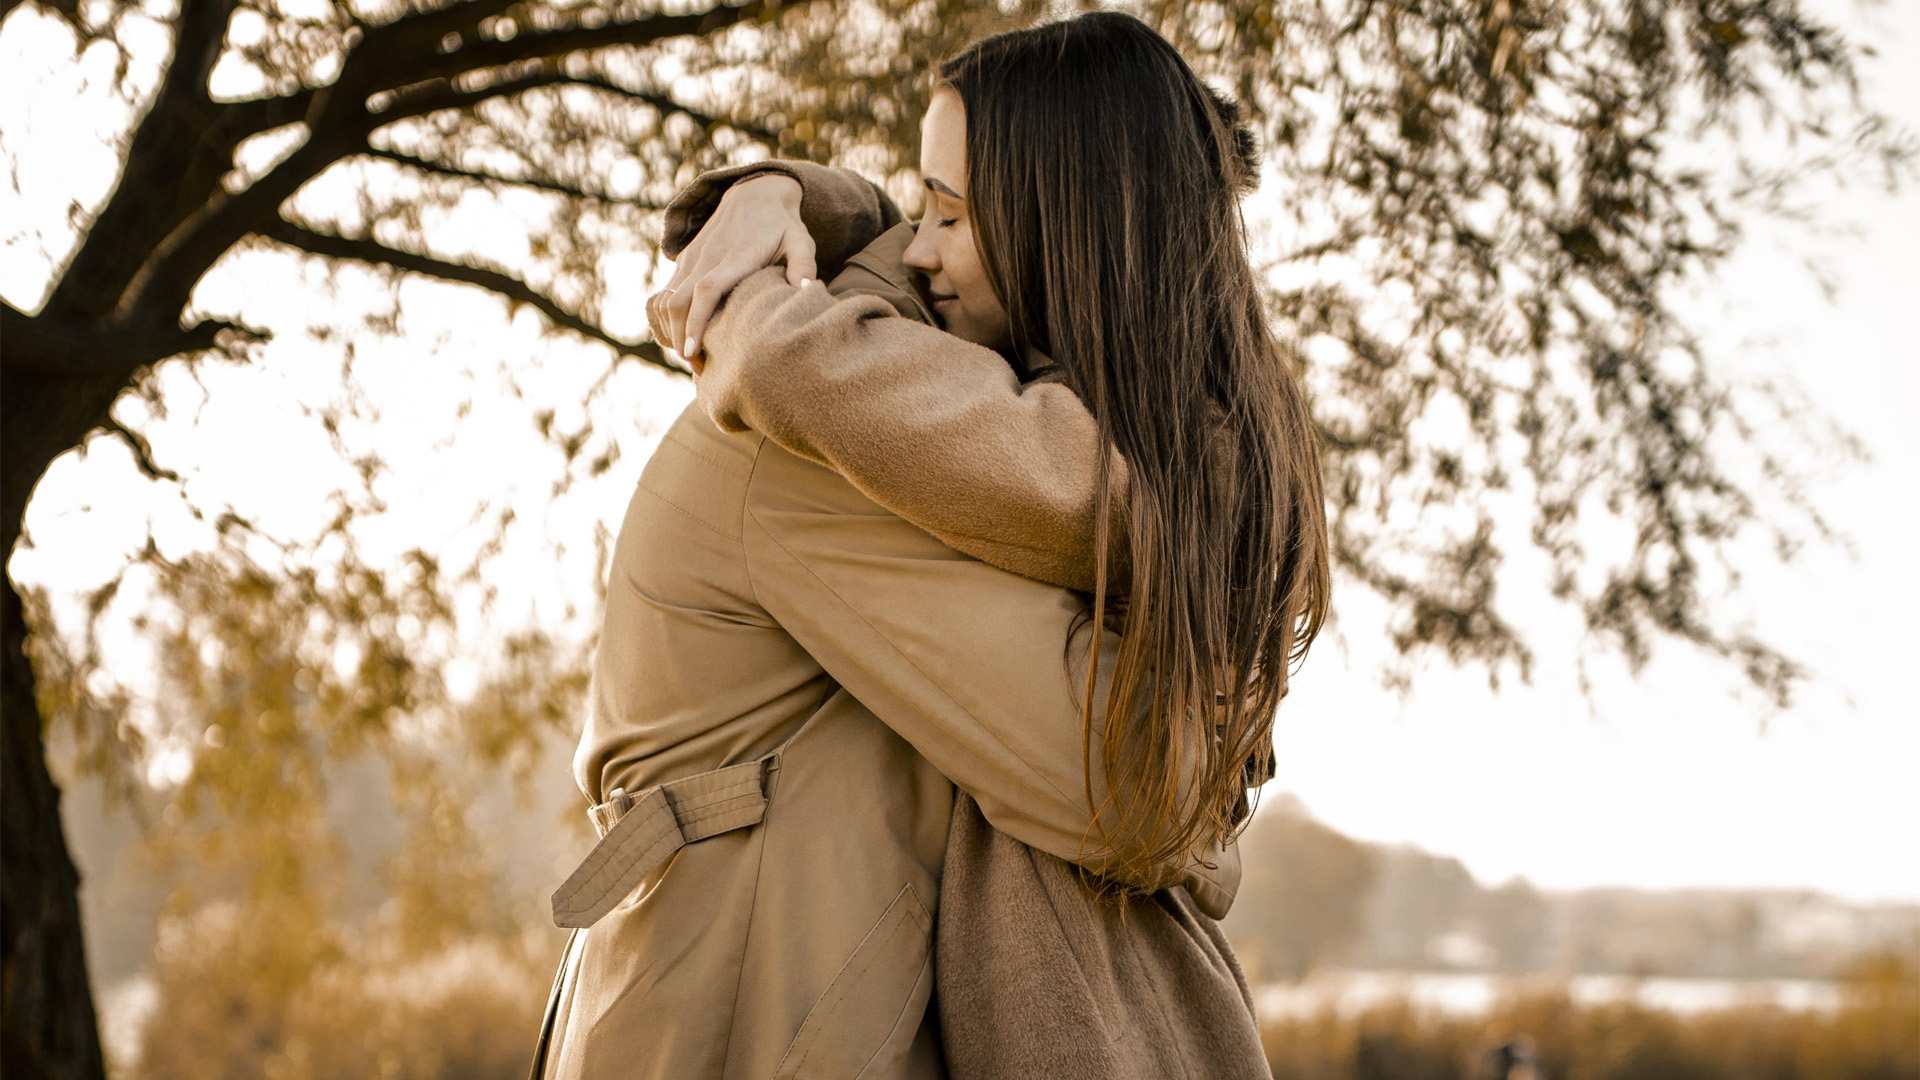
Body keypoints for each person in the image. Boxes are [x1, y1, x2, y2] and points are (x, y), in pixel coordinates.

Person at [536, 11, 1329, 1079]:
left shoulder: (928, 419)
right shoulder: (828, 440)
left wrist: (811, 197)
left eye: (948, 212)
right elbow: (1126, 779)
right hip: (734, 1027)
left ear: (1067, 226)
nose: (918, 246)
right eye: (916, 208)